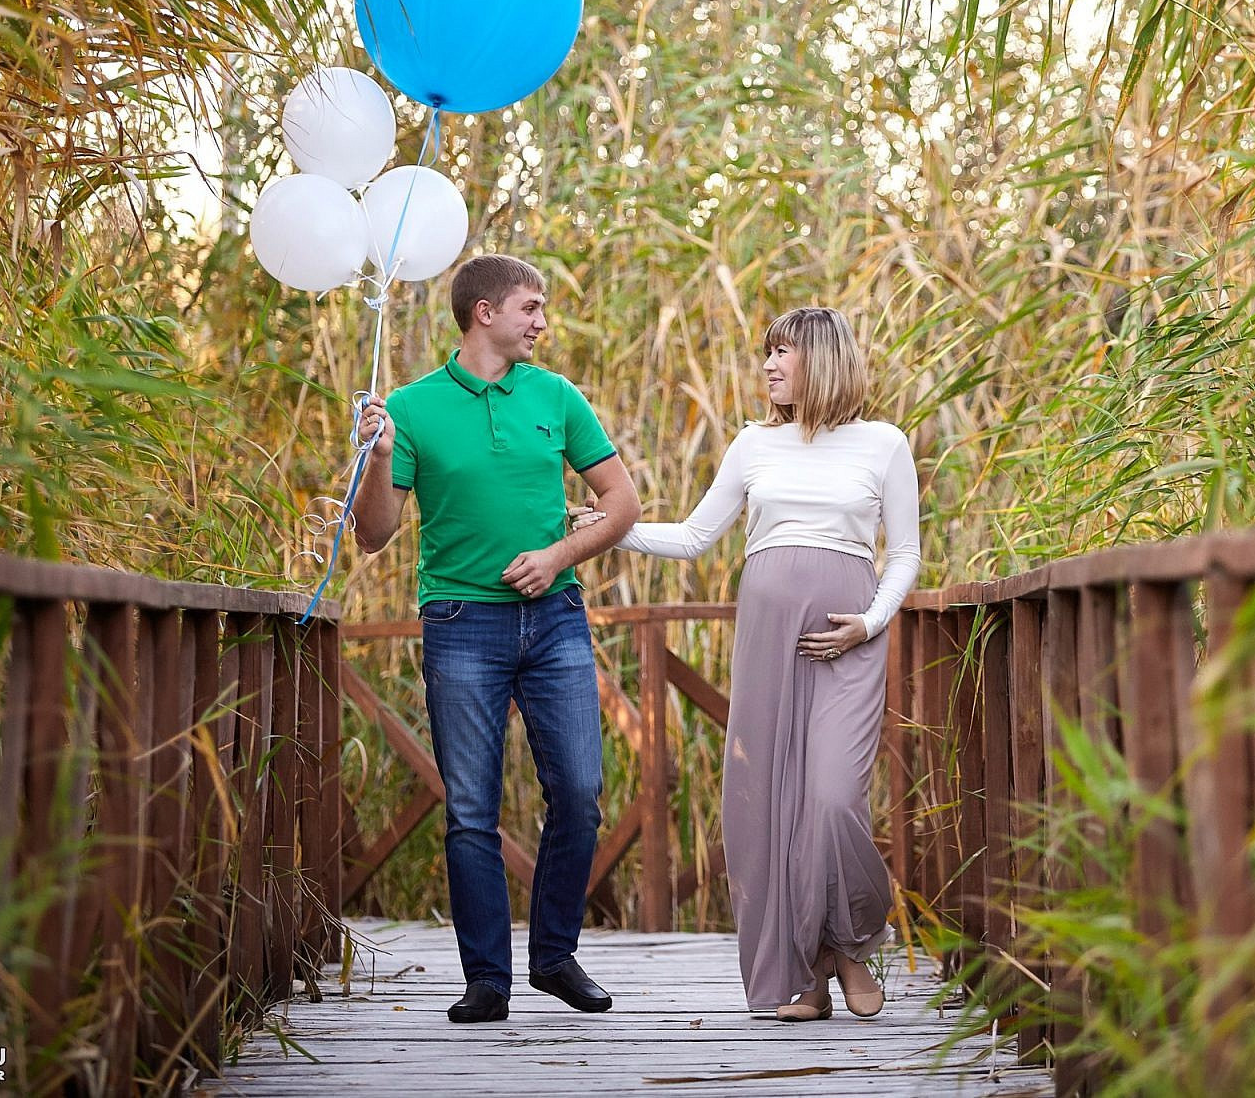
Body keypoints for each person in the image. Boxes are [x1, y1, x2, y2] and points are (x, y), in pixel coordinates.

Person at [575, 306, 920, 1021]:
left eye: (782, 353)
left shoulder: (883, 444)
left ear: (822, 359)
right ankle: (805, 980)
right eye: (767, 353)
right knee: (766, 807)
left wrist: (870, 622)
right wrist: (611, 532)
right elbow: (699, 535)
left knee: (831, 800)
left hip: (847, 636)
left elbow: (905, 554)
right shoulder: (753, 445)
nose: (767, 366)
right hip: (768, 636)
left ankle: (852, 943)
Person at [352, 253, 641, 1025]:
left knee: (579, 792)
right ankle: (488, 980)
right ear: (484, 312)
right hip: (459, 625)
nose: (542, 321)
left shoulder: (556, 395)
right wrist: (378, 458)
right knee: (471, 812)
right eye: (531, 307)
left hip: (556, 622)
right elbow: (373, 535)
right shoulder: (410, 408)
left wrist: (556, 557)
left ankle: (553, 956)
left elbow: (621, 503)